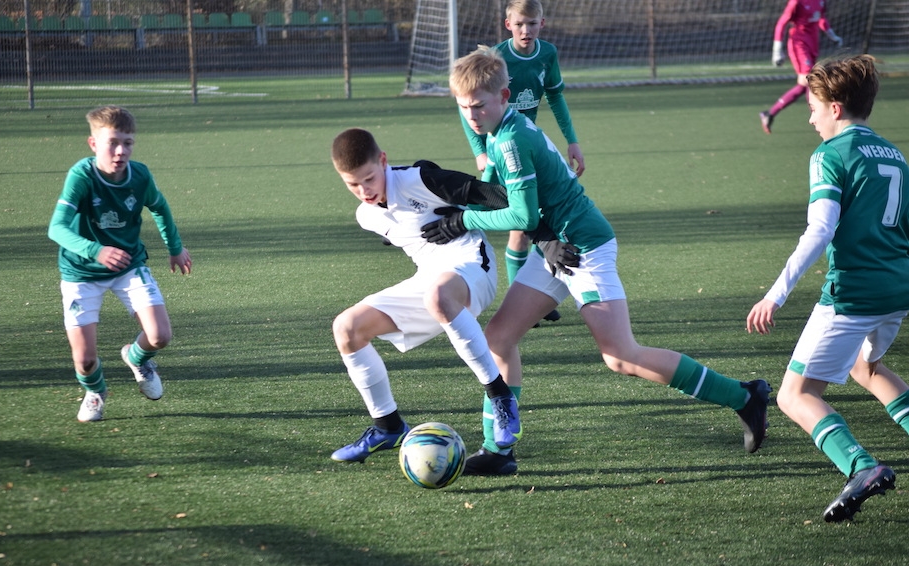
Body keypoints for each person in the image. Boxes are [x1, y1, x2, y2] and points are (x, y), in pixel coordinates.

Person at [424, 47, 771, 475]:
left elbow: (523, 216)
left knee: (620, 355)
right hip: (555, 246)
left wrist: (462, 220)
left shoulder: (511, 139)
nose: (472, 116)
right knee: (498, 337)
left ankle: (744, 396)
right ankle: (499, 449)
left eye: (478, 106)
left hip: (582, 245)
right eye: (463, 108)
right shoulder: (500, 131)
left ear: (504, 96)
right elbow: (499, 198)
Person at [747, 55, 904, 522]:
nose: (811, 118)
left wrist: (775, 294)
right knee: (865, 366)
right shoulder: (894, 155)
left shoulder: (830, 155)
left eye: (813, 108)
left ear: (835, 108)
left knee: (793, 395)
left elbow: (819, 230)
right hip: (898, 289)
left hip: (854, 293)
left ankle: (860, 466)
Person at [328, 128, 522, 465]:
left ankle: (501, 397)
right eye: (352, 184)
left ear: (384, 160)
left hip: (472, 264)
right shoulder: (366, 216)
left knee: (437, 295)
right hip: (430, 278)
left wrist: (463, 219)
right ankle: (388, 426)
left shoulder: (420, 179)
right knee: (347, 328)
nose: (364, 191)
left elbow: (504, 200)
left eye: (369, 179)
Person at [48, 105, 192, 422]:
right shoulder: (82, 176)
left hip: (129, 265)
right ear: (93, 143)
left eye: (127, 143)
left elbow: (159, 206)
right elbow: (56, 228)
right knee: (84, 360)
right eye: (112, 142)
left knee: (160, 336)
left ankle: (137, 358)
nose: (120, 151)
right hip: (81, 272)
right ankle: (95, 392)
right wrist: (95, 251)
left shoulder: (139, 175)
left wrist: (175, 248)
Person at [460, 0, 584, 324]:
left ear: (542, 23)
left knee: (535, 219)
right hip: (503, 149)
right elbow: (466, 102)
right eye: (519, 24)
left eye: (531, 23)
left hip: (528, 145)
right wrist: (480, 151)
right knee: (519, 225)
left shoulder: (548, 54)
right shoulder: (495, 59)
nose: (525, 30)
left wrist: (572, 140)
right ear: (508, 25)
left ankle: (532, 299)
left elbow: (555, 96)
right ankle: (522, 304)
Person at [759, 0, 842, 134]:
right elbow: (781, 23)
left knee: (804, 84)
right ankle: (821, 118)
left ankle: (770, 114)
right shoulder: (796, 2)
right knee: (810, 80)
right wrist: (777, 50)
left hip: (813, 43)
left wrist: (832, 35)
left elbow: (821, 18)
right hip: (799, 43)